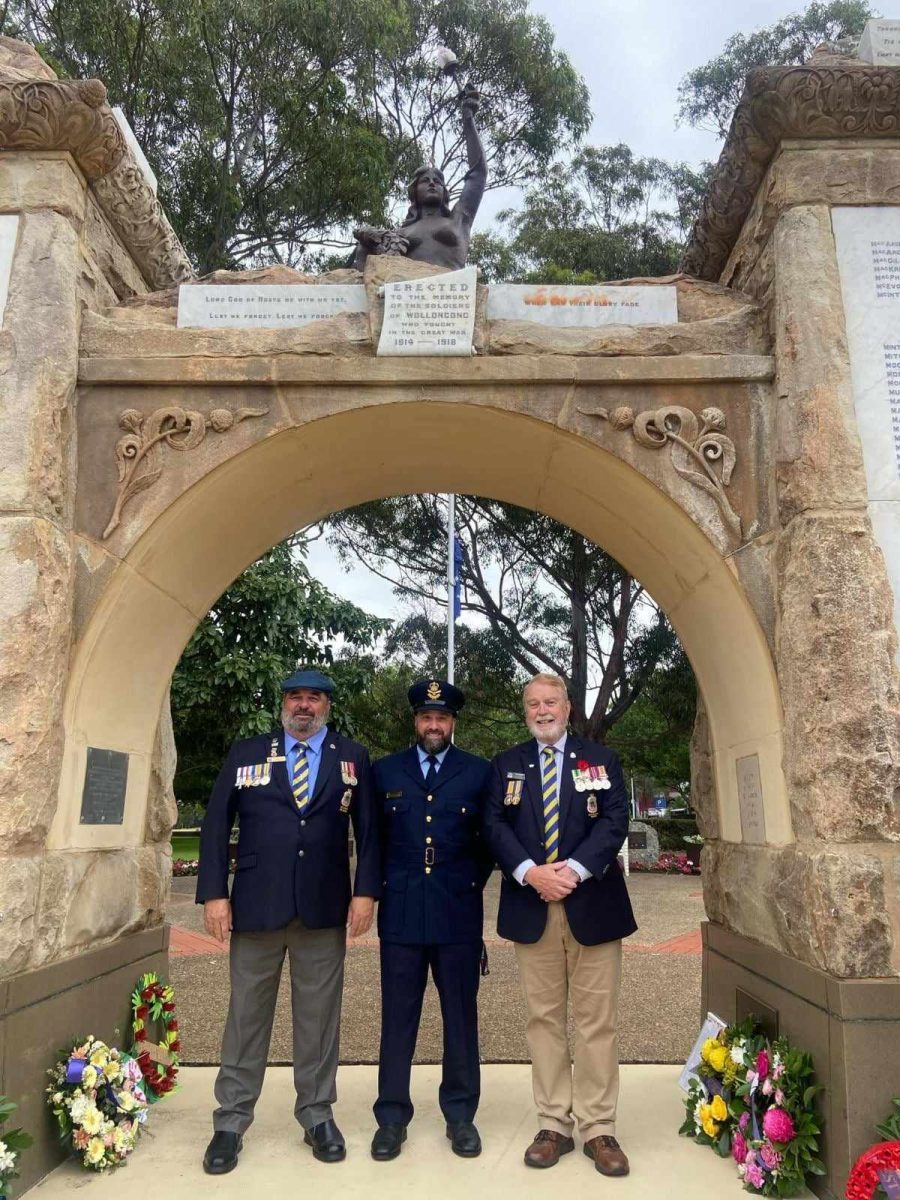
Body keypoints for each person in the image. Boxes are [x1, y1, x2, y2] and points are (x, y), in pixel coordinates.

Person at [196, 668, 380, 1173]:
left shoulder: (352, 757)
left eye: (314, 698)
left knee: (319, 1019)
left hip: (323, 909)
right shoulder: (248, 753)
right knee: (246, 1017)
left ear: (327, 706)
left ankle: (317, 1115)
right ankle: (231, 1121)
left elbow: (369, 833)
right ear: (283, 703)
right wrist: (214, 894)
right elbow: (216, 826)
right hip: (256, 907)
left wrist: (365, 893)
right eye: (295, 697)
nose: (304, 706)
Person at [484, 672, 637, 1177]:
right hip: (533, 908)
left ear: (568, 708)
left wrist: (571, 871)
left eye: (551, 701)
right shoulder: (506, 765)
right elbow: (493, 826)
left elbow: (614, 821)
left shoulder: (601, 760)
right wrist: (532, 873)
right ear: (525, 711)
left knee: (597, 1022)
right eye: (533, 703)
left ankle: (598, 1127)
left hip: (592, 905)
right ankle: (554, 1123)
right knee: (544, 1020)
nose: (542, 710)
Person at [370, 679, 493, 1161]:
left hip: (457, 913)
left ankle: (460, 1116)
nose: (434, 725)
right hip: (400, 914)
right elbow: (375, 843)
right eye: (426, 717)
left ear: (453, 723)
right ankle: (391, 1117)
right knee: (397, 1019)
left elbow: (488, 844)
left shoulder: (479, 772)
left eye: (442, 718)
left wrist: (463, 883)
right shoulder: (385, 772)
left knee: (460, 1019)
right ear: (415, 721)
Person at [352, 85, 486, 271]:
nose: (432, 183)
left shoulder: (459, 218)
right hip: (407, 294)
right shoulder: (400, 233)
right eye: (425, 181)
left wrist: (468, 118)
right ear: (414, 190)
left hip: (452, 292)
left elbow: (477, 175)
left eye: (438, 182)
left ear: (444, 192)